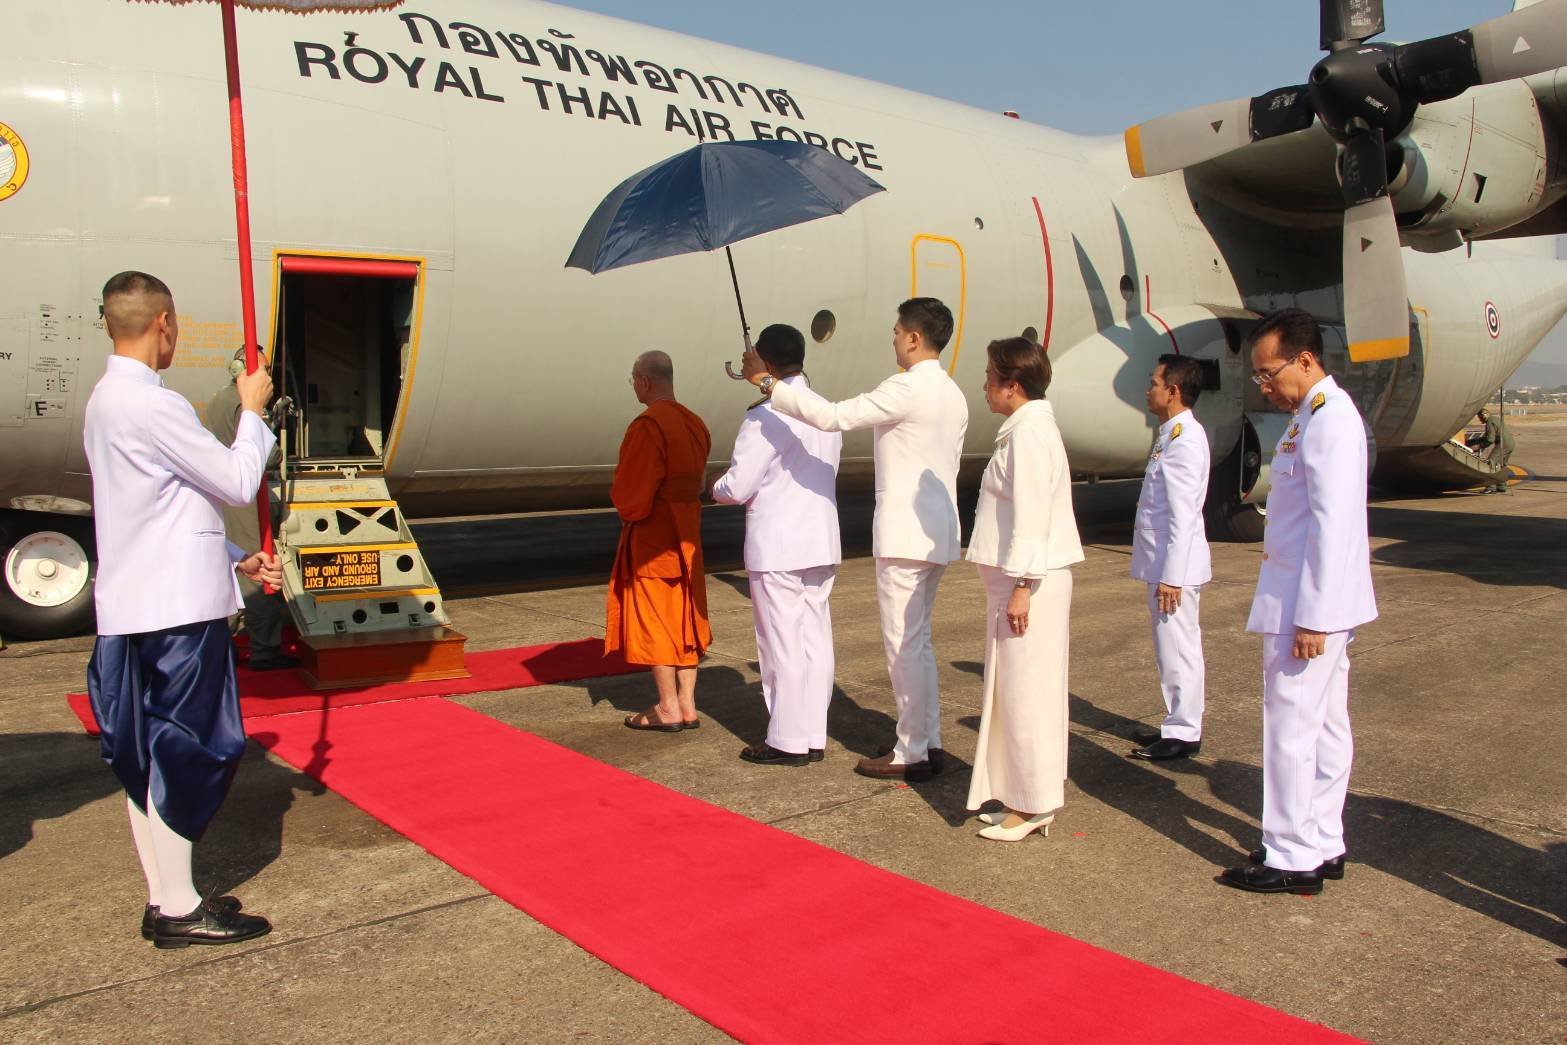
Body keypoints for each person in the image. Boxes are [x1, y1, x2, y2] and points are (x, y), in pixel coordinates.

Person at [83, 271, 279, 947]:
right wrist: (252, 409)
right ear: (164, 322)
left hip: (136, 604)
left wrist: (235, 555)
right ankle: (178, 908)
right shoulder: (152, 405)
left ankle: (170, 894)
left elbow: (163, 507)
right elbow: (232, 478)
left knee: (147, 756)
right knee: (189, 751)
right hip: (174, 615)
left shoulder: (106, 401)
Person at [741, 298, 969, 782]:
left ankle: (912, 750)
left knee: (903, 646)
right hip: (938, 535)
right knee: (919, 644)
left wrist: (767, 384)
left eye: (895, 331)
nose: (892, 339)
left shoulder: (907, 388)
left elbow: (832, 416)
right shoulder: (952, 392)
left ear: (913, 338)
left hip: (906, 537)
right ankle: (927, 740)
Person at [1220, 308, 1376, 896]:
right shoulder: (1310, 417)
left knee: (1290, 726)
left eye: (1270, 373)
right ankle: (1323, 839)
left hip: (1307, 606)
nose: (1265, 385)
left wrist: (1314, 614)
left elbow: (1333, 528)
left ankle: (1289, 853)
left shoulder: (1330, 421)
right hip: (1311, 600)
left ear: (1305, 360)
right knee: (1327, 723)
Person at [963, 338, 1084, 841]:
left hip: (1029, 585)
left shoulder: (1030, 435)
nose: (985, 386)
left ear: (1013, 386)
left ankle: (1033, 806)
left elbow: (1032, 518)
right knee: (1016, 693)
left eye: (991, 377)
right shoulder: (1025, 429)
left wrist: (1022, 587)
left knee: (1027, 694)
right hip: (1021, 583)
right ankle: (1021, 797)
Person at [711, 324, 842, 766]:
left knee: (781, 643)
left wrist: (712, 489)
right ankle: (812, 733)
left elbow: (739, 485)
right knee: (814, 639)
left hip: (778, 545)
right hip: (820, 541)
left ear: (765, 363)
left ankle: (787, 740)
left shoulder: (765, 415)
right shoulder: (824, 409)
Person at [608, 350, 714, 731]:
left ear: (644, 382)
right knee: (685, 619)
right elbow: (700, 483)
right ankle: (687, 703)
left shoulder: (647, 426)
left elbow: (631, 495)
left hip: (655, 538)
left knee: (656, 620)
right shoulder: (694, 423)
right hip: (688, 535)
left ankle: (668, 706)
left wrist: (628, 508)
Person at [1129, 354, 1211, 762]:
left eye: (1154, 382)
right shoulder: (1171, 434)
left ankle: (1183, 730)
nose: (1149, 389)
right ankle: (1177, 720)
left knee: (1177, 646)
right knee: (1171, 646)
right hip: (1164, 563)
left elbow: (1183, 514)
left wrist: (1172, 577)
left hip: (1173, 566)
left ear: (1173, 391)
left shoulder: (1185, 440)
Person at [204, 346, 295, 671]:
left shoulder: (218, 399)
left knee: (229, 573)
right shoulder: (244, 405)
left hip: (221, 493)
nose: (268, 377)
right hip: (243, 495)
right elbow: (269, 457)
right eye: (265, 370)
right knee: (258, 574)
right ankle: (265, 650)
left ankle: (220, 648)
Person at [1481, 406, 1515, 494]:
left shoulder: (1489, 422)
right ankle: (1501, 486)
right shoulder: (1495, 419)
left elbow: (1490, 439)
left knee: (1492, 462)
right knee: (1501, 465)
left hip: (1503, 445)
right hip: (1510, 444)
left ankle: (1491, 486)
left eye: (1480, 417)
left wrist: (1481, 445)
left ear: (1484, 415)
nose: (1480, 419)